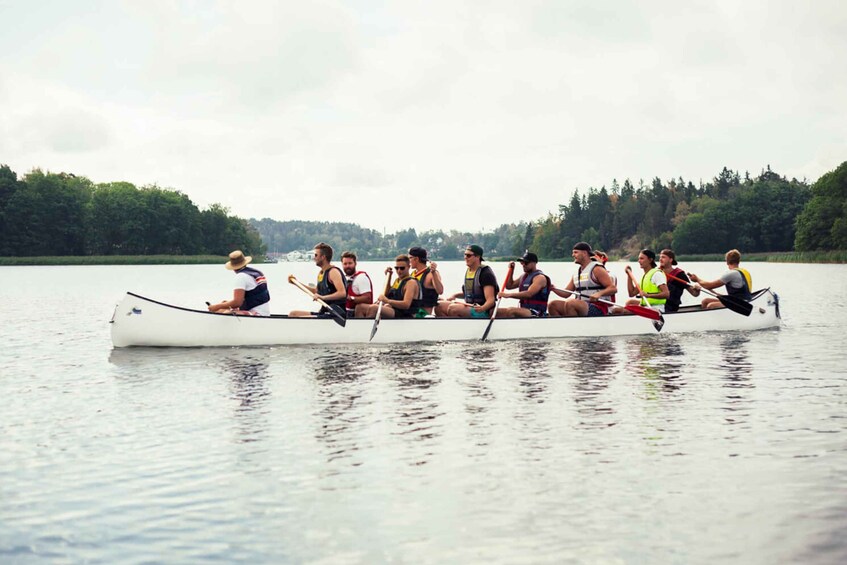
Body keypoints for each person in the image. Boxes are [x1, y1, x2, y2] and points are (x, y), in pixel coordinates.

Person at [548, 242, 616, 317]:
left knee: (571, 303)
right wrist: (553, 288)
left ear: (584, 253)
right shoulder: (576, 273)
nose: (573, 255)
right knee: (553, 305)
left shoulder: (597, 269)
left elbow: (613, 288)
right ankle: (564, 326)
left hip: (598, 307)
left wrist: (599, 294)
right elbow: (566, 294)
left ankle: (575, 326)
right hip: (581, 306)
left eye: (575, 252)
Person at [435, 244, 499, 318]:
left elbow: (491, 300)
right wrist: (455, 295)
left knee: (453, 308)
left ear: (478, 257)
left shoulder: (486, 274)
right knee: (438, 306)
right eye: (465, 255)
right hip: (470, 307)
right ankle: (451, 327)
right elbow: (469, 293)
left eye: (468, 255)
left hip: (483, 311)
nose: (465, 257)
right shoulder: (469, 271)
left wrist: (482, 308)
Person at [289, 242, 348, 318]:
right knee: (293, 314)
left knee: (303, 319)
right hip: (325, 311)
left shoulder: (333, 272)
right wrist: (296, 283)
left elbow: (342, 293)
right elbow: (316, 292)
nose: (314, 258)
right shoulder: (321, 273)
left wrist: (323, 298)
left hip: (337, 313)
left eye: (316, 255)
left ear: (323, 257)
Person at [208, 250, 271, 316]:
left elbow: (237, 303)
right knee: (222, 307)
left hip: (257, 314)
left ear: (233, 267)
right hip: (265, 313)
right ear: (245, 263)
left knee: (223, 311)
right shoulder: (257, 273)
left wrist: (216, 306)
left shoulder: (241, 276)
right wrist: (225, 304)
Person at [361, 255, 421, 319]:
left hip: (405, 314)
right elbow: (387, 293)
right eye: (396, 268)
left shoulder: (411, 282)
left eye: (402, 268)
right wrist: (389, 276)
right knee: (360, 307)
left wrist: (387, 301)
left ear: (409, 267)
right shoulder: (398, 280)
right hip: (393, 309)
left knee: (373, 308)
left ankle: (369, 327)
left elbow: (406, 304)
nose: (399, 271)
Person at [496, 251, 551, 317]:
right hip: (525, 310)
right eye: (522, 262)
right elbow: (509, 286)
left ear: (534, 263)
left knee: (511, 311)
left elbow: (529, 294)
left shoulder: (540, 278)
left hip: (537, 312)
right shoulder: (524, 276)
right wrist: (511, 270)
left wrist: (508, 295)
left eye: (526, 262)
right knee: (496, 311)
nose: (523, 264)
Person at [616, 249, 669, 313]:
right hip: (645, 307)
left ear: (650, 260)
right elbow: (631, 293)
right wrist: (629, 276)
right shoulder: (645, 276)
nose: (639, 261)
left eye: (642, 259)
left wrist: (648, 295)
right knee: (628, 303)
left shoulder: (657, 274)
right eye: (639, 259)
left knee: (620, 311)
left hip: (656, 308)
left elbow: (666, 294)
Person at [658, 248, 700, 312]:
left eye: (663, 257)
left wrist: (697, 289)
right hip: (656, 304)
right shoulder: (657, 273)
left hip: (670, 307)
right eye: (660, 257)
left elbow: (694, 294)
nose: (660, 259)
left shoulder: (680, 275)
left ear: (670, 260)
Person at [409, 246, 443, 316]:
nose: (408, 261)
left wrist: (433, 273)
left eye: (410, 258)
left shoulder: (431, 274)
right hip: (412, 310)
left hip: (423, 314)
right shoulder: (412, 274)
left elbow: (440, 291)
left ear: (416, 259)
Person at [341, 251, 373, 318]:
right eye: (345, 264)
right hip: (345, 312)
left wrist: (351, 298)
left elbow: (368, 298)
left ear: (355, 263)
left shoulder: (361, 278)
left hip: (357, 313)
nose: (347, 266)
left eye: (350, 263)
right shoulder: (342, 278)